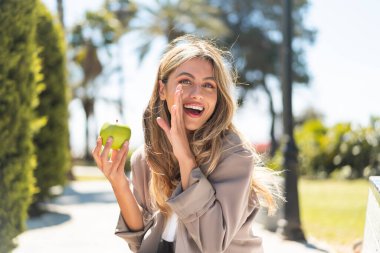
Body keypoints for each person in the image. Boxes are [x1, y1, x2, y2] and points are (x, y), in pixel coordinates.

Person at [92, 34, 279, 253]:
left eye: (208, 85)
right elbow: (140, 240)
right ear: (163, 90)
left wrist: (186, 158)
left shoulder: (234, 154)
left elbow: (213, 244)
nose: (197, 94)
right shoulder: (146, 158)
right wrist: (118, 182)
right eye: (185, 81)